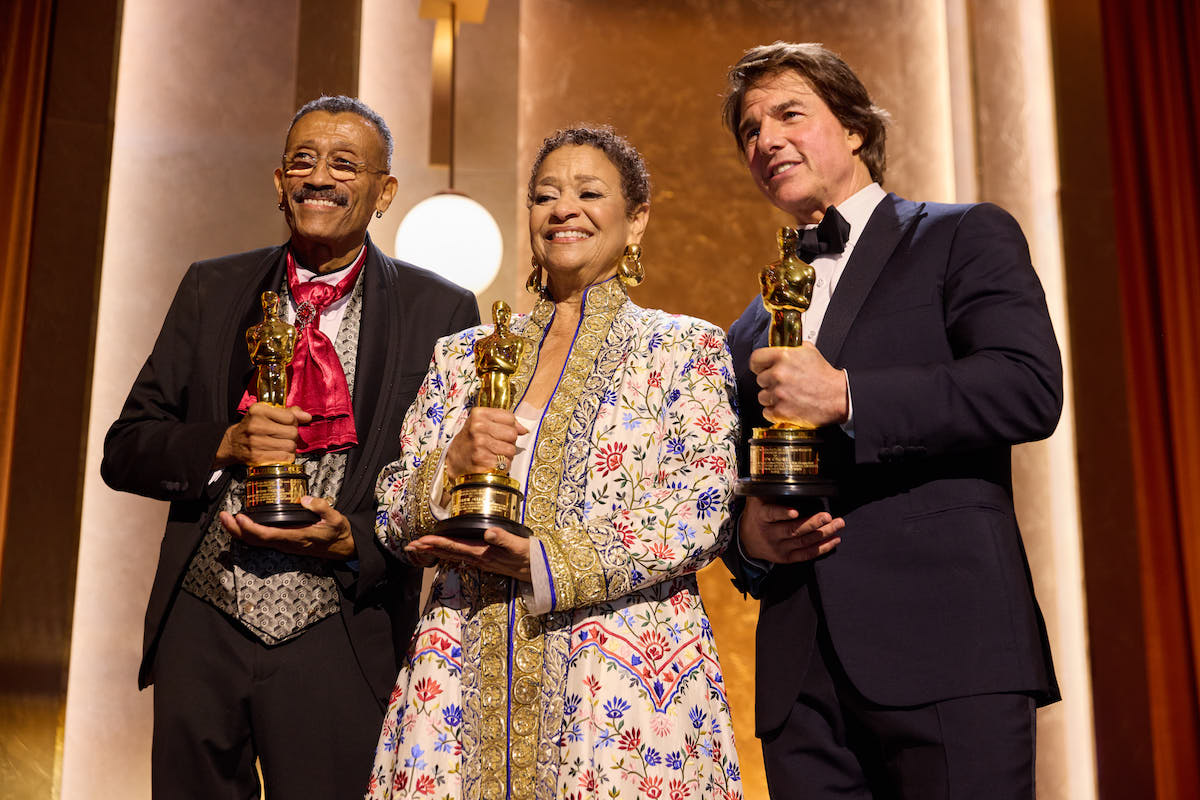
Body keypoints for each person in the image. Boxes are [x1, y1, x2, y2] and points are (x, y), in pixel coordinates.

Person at [101, 95, 479, 799]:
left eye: (344, 163)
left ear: (384, 192)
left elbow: (443, 479)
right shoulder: (212, 289)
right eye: (302, 161)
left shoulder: (442, 311)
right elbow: (126, 448)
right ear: (280, 182)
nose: (319, 178)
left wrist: (354, 541)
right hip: (204, 617)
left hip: (344, 623)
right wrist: (224, 441)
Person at [365, 126, 756, 800]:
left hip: (622, 681)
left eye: (589, 193)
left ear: (637, 220)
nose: (563, 209)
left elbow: (698, 514)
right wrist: (448, 465)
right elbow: (392, 510)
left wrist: (540, 560)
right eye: (545, 195)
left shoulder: (681, 348)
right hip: (462, 660)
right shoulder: (464, 353)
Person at [721, 43, 1063, 798]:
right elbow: (734, 481)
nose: (765, 139)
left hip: (951, 647)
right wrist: (749, 541)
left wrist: (848, 396)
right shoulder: (747, 328)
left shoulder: (961, 234)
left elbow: (1028, 388)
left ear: (851, 127)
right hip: (801, 684)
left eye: (788, 114)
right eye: (749, 130)